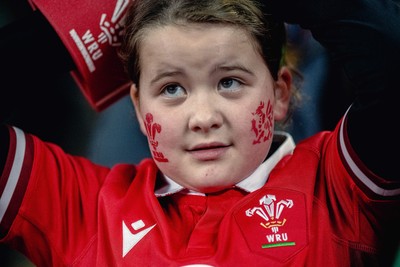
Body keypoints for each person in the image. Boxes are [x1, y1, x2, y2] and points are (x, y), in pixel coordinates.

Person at [1, 0, 399, 266]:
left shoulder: (337, 188)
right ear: (139, 108)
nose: (203, 117)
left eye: (229, 82)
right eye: (172, 88)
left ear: (280, 92)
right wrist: (80, 29)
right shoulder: (83, 208)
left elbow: (389, 58)